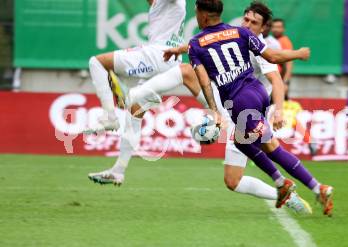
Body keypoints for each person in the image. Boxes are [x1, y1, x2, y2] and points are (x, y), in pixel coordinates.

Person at [186, 0, 333, 215]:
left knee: (271, 147)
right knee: (242, 142)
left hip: (240, 103)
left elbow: (204, 81)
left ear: (204, 16)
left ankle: (305, 186)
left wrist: (214, 111)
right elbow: (273, 56)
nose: (247, 23)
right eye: (246, 18)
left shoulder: (196, 43)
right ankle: (295, 185)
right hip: (257, 93)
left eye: (197, 12)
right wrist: (298, 53)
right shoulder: (239, 33)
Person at [86, 0, 208, 184]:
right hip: (166, 60)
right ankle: (118, 171)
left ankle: (110, 116)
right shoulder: (158, 4)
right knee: (135, 112)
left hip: (157, 55)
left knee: (96, 62)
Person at [271, 18, 293, 99]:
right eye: (274, 27)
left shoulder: (284, 41)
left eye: (279, 27)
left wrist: (286, 82)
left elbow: (289, 64)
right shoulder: (271, 41)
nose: (276, 29)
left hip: (280, 80)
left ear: (283, 29)